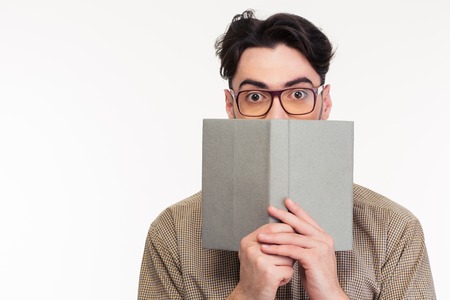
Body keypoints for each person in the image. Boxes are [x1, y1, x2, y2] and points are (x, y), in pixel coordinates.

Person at [138, 9, 435, 299]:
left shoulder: (393, 230)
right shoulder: (174, 232)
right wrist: (247, 294)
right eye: (255, 97)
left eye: (297, 95)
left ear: (325, 103)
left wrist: (330, 293)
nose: (276, 118)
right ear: (231, 107)